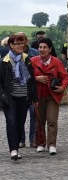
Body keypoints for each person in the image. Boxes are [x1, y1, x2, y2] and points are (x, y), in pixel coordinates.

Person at [28, 37, 68, 155]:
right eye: (40, 47)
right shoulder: (33, 61)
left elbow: (65, 77)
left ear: (50, 49)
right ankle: (40, 143)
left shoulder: (56, 62)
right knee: (39, 121)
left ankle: (51, 145)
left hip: (52, 95)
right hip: (38, 96)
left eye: (45, 47)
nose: (42, 49)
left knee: (52, 121)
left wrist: (62, 87)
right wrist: (36, 78)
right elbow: (26, 77)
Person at [0, 33, 38, 161]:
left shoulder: (26, 59)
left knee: (20, 123)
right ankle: (13, 150)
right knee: (11, 122)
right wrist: (3, 96)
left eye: (22, 43)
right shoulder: (4, 61)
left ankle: (15, 147)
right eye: (18, 44)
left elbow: (31, 80)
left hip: (24, 97)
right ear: (11, 45)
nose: (21, 46)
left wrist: (34, 97)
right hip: (10, 98)